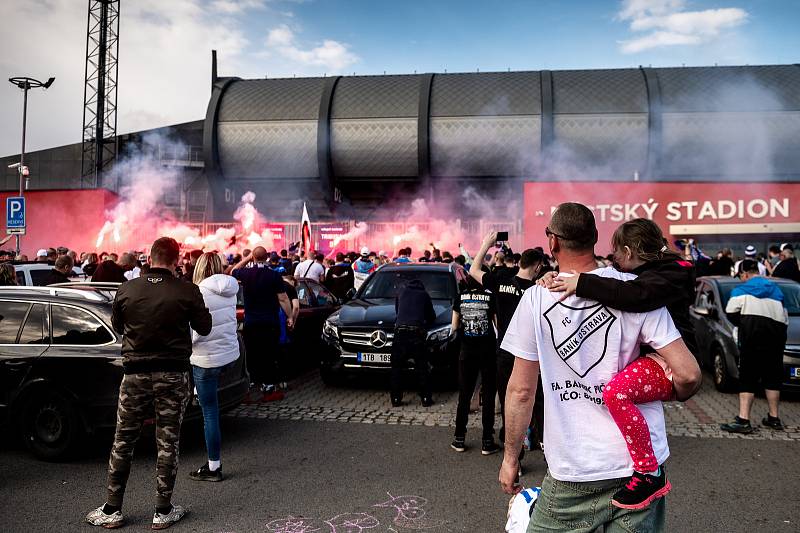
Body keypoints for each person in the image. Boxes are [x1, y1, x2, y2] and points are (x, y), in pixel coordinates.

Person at [498, 203, 701, 531]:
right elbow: (689, 373)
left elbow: (521, 390)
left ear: (553, 242)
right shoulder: (638, 291)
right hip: (638, 468)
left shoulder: (536, 299)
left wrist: (510, 459)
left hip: (573, 467)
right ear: (595, 238)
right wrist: (676, 391)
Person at [543, 218, 697, 508]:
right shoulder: (650, 270)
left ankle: (648, 473)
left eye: (615, 252)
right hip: (658, 360)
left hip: (670, 362)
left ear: (628, 251)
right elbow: (607, 277)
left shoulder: (669, 276)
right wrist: (553, 277)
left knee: (616, 392)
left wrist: (582, 284)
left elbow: (635, 294)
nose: (611, 258)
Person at [86, 237, 212, 530]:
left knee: (123, 439)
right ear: (176, 260)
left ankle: (112, 509)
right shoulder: (186, 290)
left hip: (134, 375)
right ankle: (162, 510)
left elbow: (118, 326)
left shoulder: (127, 288)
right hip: (172, 374)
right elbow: (204, 327)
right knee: (168, 441)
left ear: (151, 257)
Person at [470, 233, 547, 451]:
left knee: (508, 403)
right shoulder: (538, 290)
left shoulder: (501, 280)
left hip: (505, 352)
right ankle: (545, 447)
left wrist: (486, 243)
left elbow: (473, 270)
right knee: (539, 401)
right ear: (538, 266)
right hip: (532, 355)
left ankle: (515, 452)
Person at [187, 252, 240, 483]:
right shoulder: (230, 289)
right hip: (227, 355)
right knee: (213, 408)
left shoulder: (197, 292)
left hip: (206, 358)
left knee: (210, 413)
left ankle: (213, 466)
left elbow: (196, 333)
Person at [721, 259, 789, 434]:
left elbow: (730, 312)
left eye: (740, 276)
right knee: (773, 377)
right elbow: (785, 317)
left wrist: (744, 325)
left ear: (744, 273)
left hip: (751, 339)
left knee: (747, 379)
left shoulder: (740, 291)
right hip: (775, 339)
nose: (740, 279)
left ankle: (744, 420)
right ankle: (774, 418)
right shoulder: (777, 290)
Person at [230, 247, 293, 402]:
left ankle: (247, 391)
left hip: (251, 322)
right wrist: (290, 316)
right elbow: (283, 299)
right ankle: (268, 389)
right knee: (269, 355)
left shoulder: (246, 274)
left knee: (251, 355)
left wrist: (247, 258)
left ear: (253, 257)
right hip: (270, 322)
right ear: (266, 258)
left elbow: (233, 271)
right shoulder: (274, 275)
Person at [450, 276, 500, 455]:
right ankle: (487, 440)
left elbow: (454, 326)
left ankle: (459, 438)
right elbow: (497, 325)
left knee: (464, 393)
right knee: (488, 395)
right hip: (487, 352)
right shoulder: (490, 297)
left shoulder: (460, 297)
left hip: (467, 352)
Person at [391, 278, 436, 407]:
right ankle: (426, 399)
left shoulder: (401, 292)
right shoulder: (424, 294)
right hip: (416, 334)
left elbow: (397, 311)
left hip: (400, 333)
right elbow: (431, 316)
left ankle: (396, 399)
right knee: (422, 368)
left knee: (396, 368)